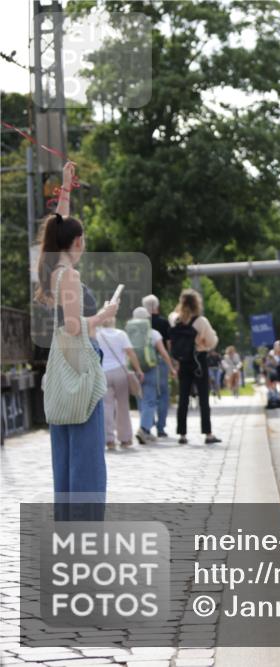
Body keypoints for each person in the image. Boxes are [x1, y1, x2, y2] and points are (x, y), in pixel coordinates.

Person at [36, 161, 119, 521]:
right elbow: (73, 325)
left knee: (67, 455)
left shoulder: (52, 269)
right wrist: (103, 314)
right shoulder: (69, 274)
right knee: (86, 457)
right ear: (79, 242)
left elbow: (57, 228)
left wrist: (65, 190)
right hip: (82, 364)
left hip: (61, 367)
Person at [169, 289, 221, 445]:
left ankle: (182, 434)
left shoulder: (175, 319)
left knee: (183, 398)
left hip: (183, 362)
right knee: (203, 398)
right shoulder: (201, 321)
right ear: (197, 303)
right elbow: (212, 342)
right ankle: (208, 433)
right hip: (199, 360)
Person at [128, 306, 176, 443]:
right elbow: (163, 352)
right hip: (151, 369)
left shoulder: (129, 334)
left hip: (135, 370)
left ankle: (147, 430)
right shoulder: (153, 333)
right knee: (150, 400)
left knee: (141, 401)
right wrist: (171, 367)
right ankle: (143, 428)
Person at [96, 322, 144, 450]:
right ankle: (125, 439)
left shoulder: (97, 334)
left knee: (106, 406)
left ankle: (109, 440)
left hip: (103, 372)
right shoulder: (121, 334)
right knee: (123, 406)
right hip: (120, 372)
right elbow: (131, 353)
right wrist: (138, 370)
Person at [143, 294, 172, 438]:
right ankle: (160, 428)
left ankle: (148, 424)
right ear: (157, 307)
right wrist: (172, 364)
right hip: (160, 361)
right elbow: (168, 345)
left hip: (143, 363)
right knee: (163, 394)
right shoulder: (164, 323)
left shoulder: (140, 324)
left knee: (148, 395)